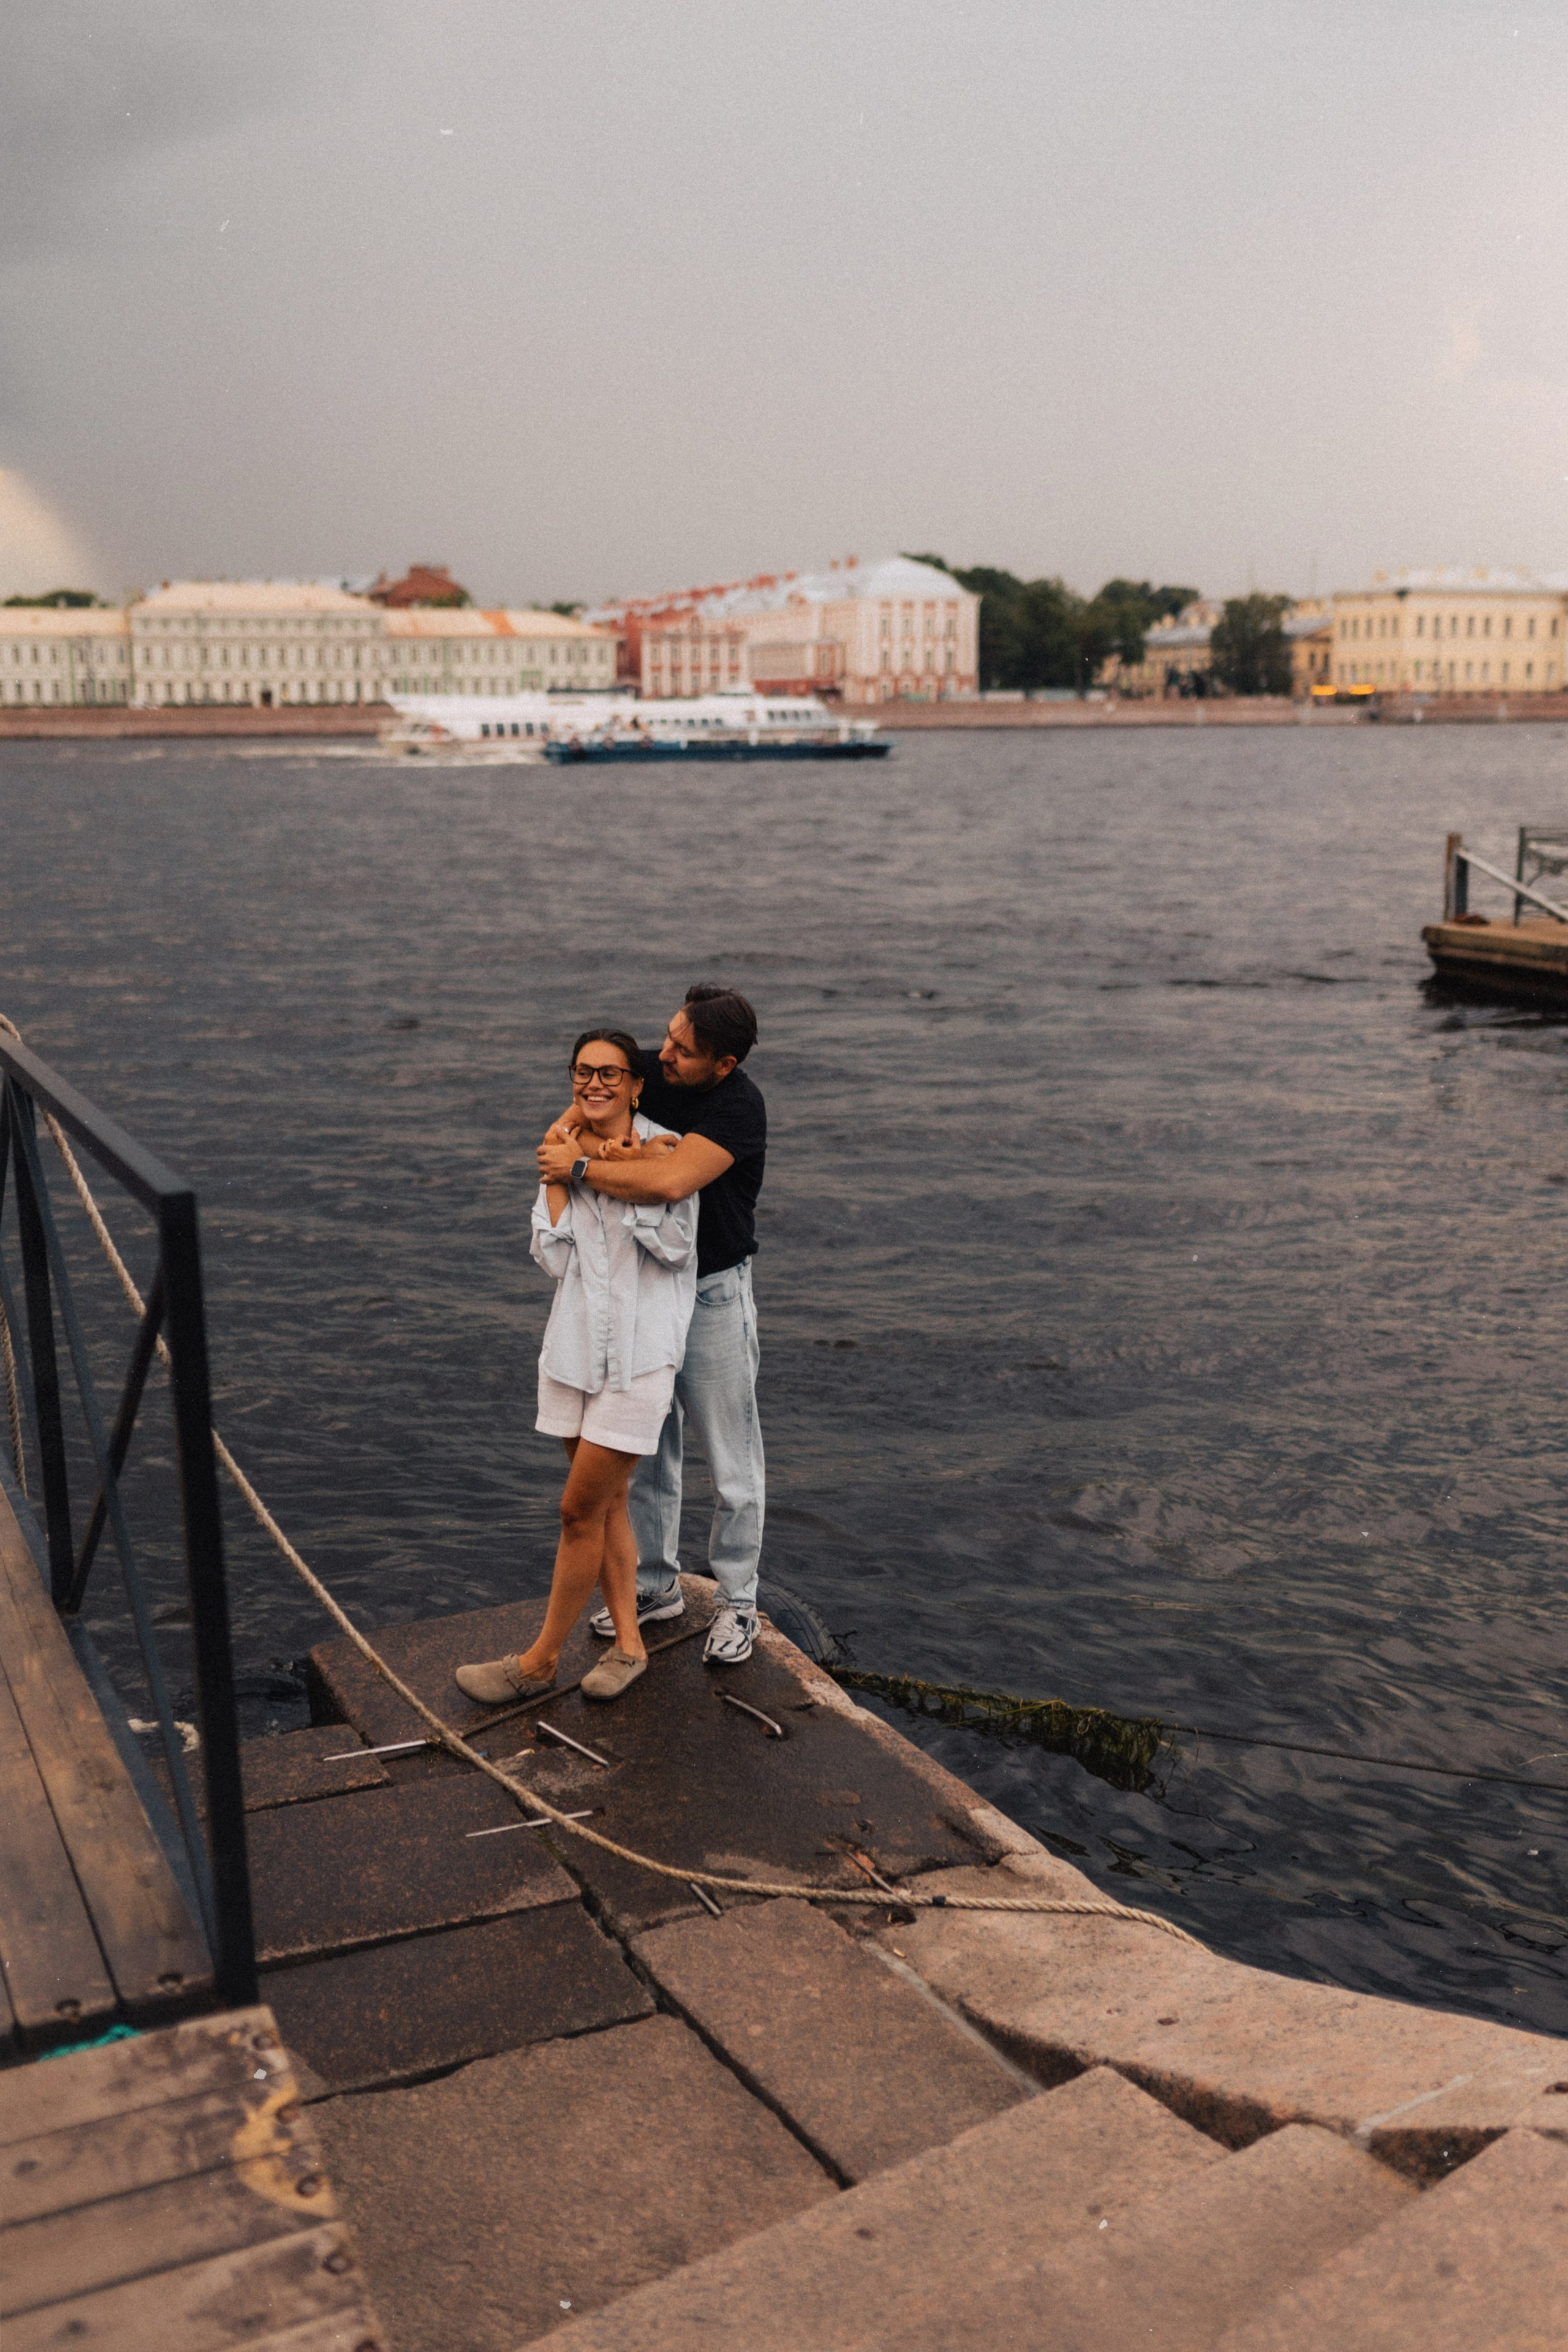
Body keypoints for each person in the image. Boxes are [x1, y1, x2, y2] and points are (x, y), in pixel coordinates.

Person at [455, 1030, 696, 1707]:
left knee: (576, 1513)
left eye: (611, 1074)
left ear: (638, 1083)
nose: (595, 1084)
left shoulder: (667, 1150)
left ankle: (538, 1662)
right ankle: (629, 1647)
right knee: (607, 1504)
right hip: (571, 1354)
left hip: (639, 1362)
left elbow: (674, 1245)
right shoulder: (559, 1151)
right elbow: (554, 1258)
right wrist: (566, 1165)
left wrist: (596, 1166)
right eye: (583, 1073)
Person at [536, 983, 766, 1664]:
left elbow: (671, 1184)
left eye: (681, 1049)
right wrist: (571, 1137)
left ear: (722, 1063)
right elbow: (584, 1107)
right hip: (641, 1298)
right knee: (647, 1454)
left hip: (712, 1293)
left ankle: (738, 1602)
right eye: (666, 1038)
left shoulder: (736, 1106)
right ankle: (655, 1586)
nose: (662, 1052)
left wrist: (579, 1165)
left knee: (732, 1460)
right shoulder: (656, 1065)